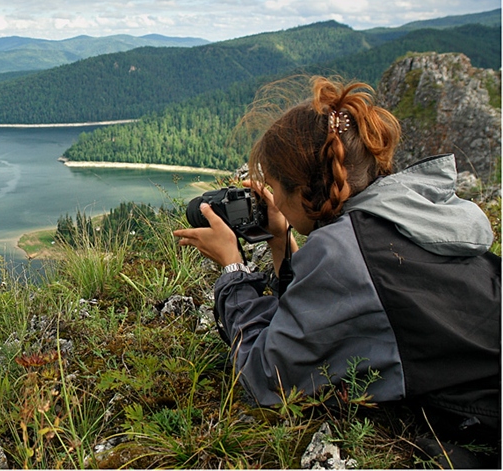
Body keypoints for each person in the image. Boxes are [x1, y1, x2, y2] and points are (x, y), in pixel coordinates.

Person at [173, 76, 500, 465]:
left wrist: (232, 270)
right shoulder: (410, 209)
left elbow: (267, 376)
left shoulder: (346, 254)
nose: (272, 199)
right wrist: (280, 241)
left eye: (276, 188)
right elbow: (322, 307)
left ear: (304, 193)